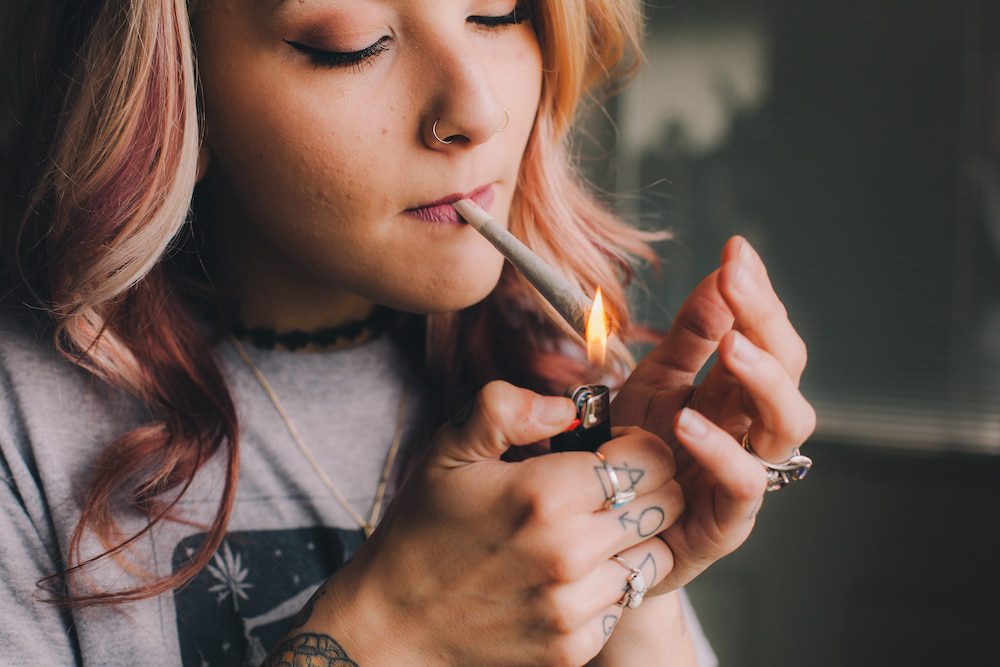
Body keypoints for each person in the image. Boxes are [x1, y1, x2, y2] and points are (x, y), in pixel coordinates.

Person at [0, 0, 815, 664]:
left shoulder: (550, 386)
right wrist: (391, 628)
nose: (477, 110)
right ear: (176, 87)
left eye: (496, 13)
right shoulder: (24, 430)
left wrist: (639, 575)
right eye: (351, 45)